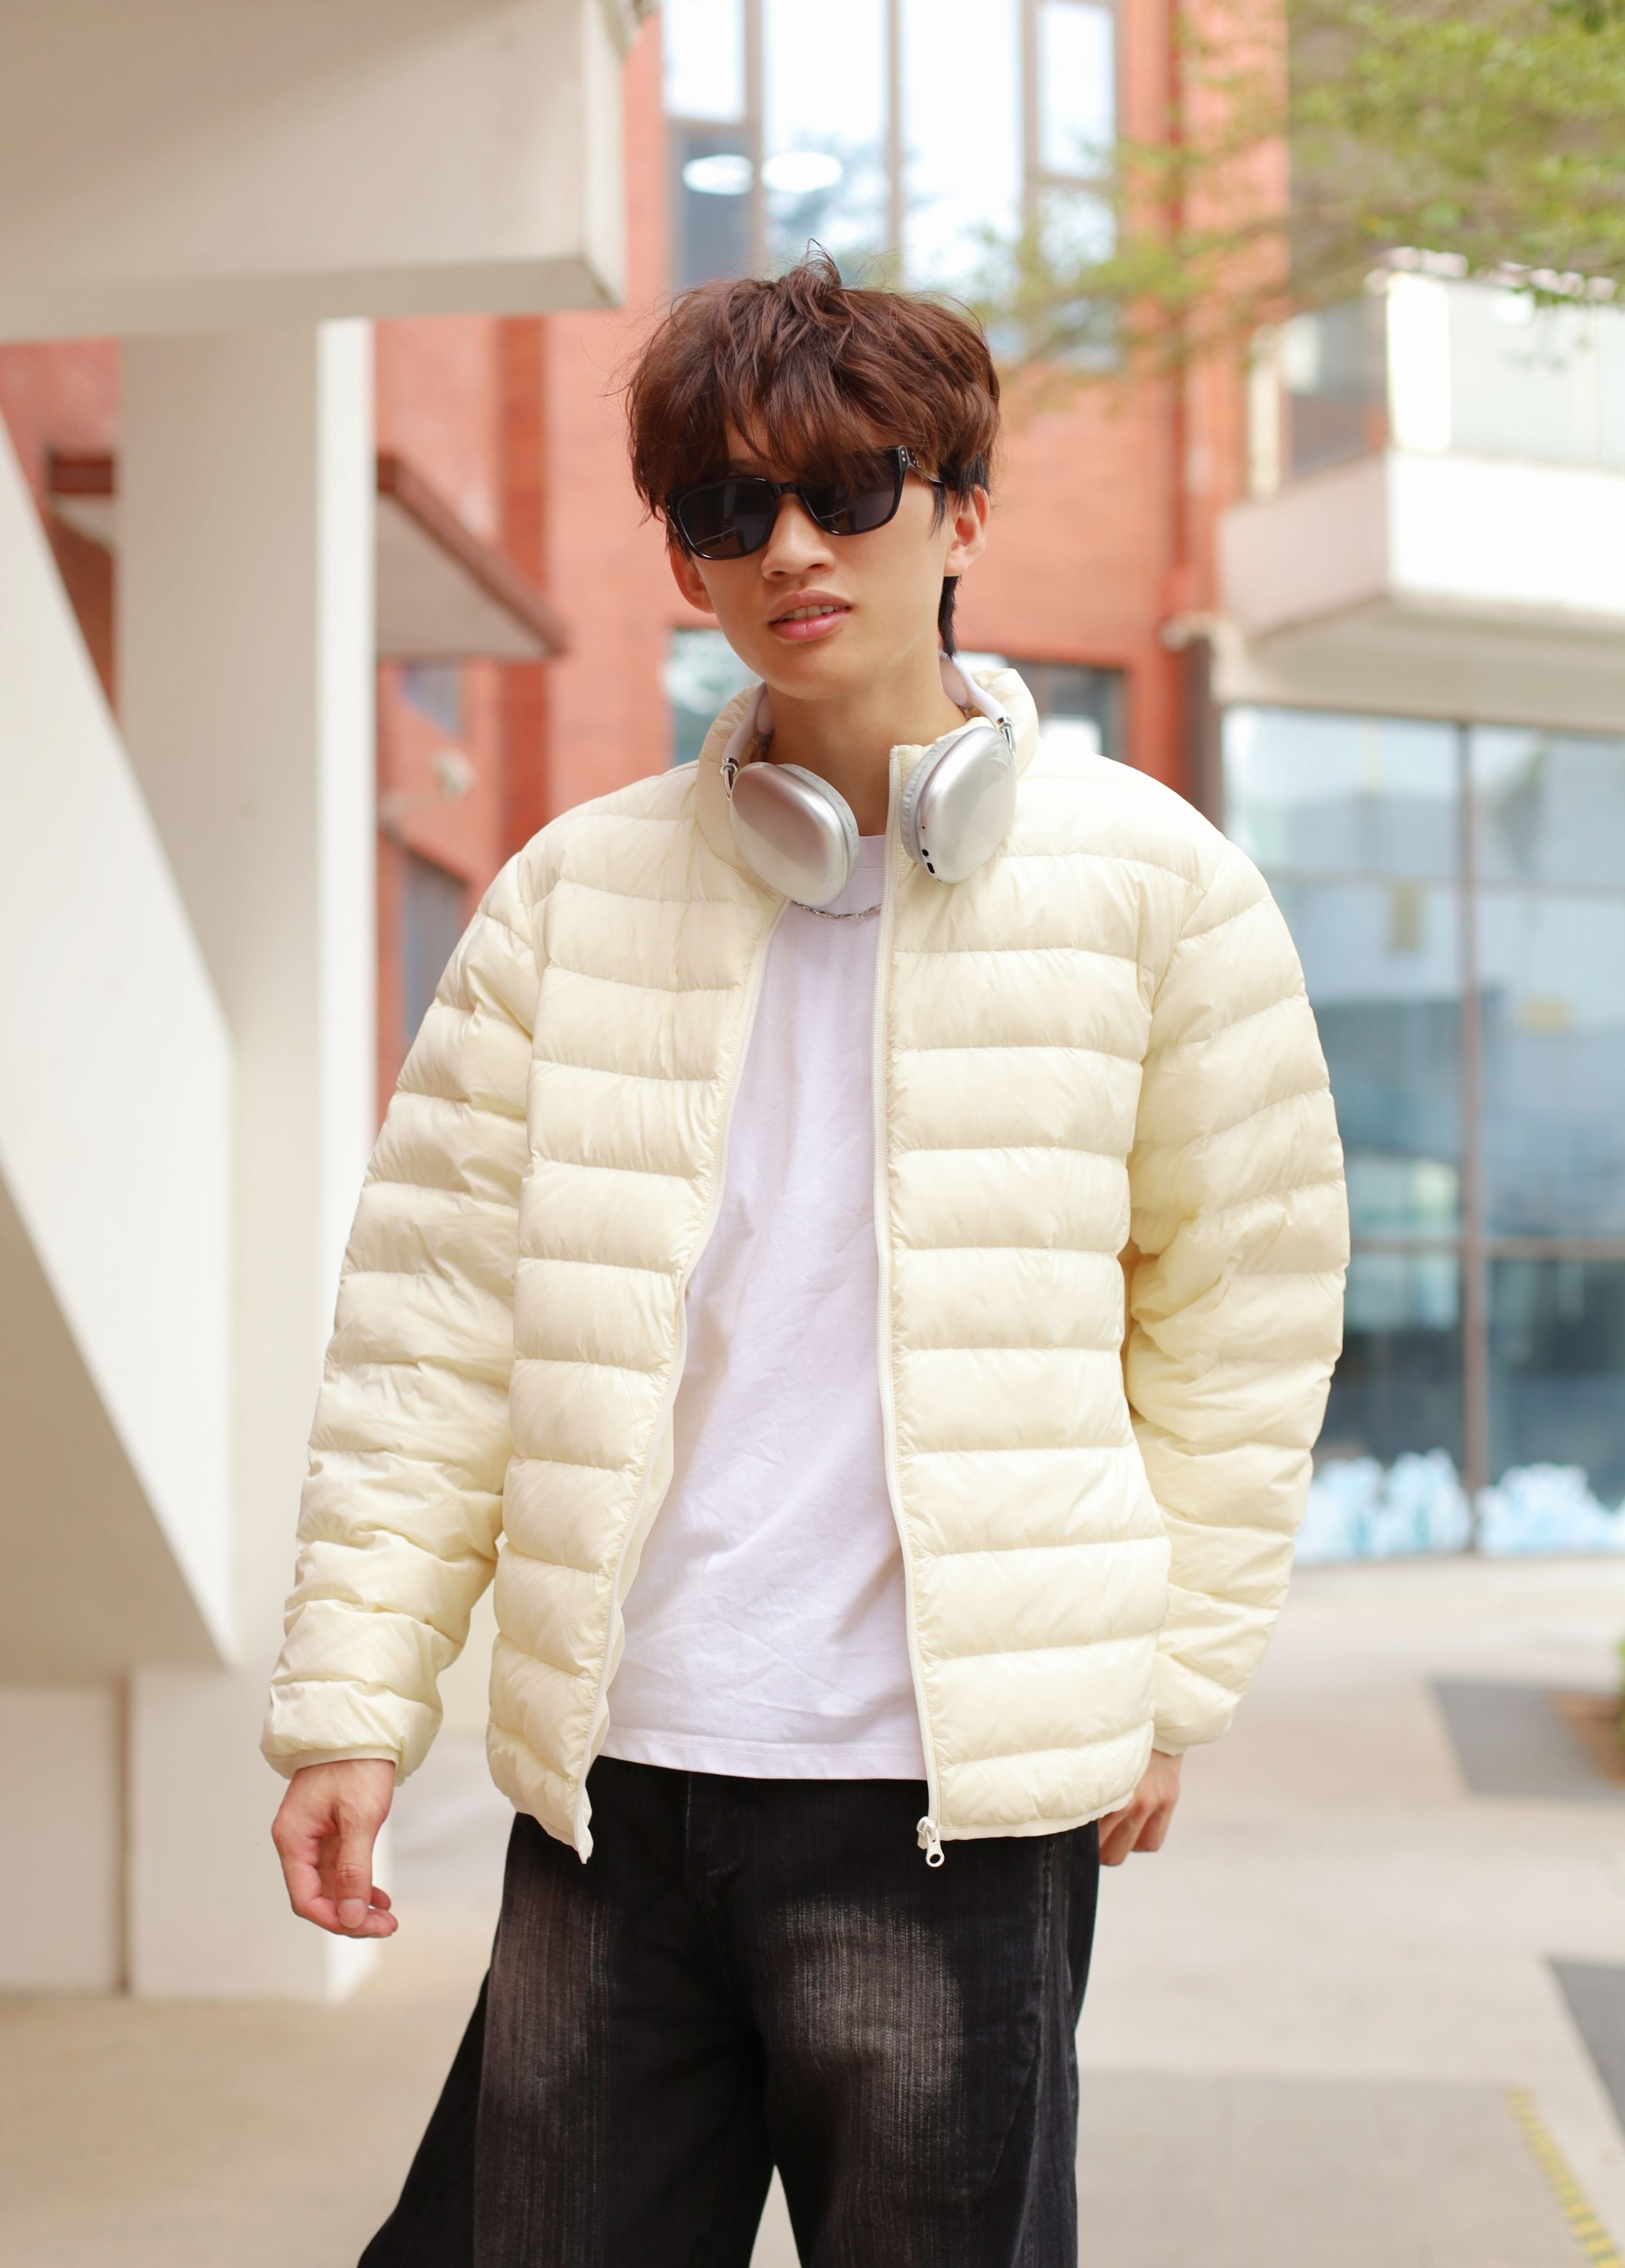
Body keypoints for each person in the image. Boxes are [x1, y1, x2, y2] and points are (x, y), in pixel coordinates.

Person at [263, 252, 1348, 2268]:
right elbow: (430, 1339)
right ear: (685, 554)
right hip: (618, 1781)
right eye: (728, 506)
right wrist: (351, 1701)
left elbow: (1243, 1320)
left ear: (962, 512)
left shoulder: (1159, 891)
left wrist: (1162, 1682)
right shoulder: (567, 901)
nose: (791, 548)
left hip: (948, 1805)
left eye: (850, 491)